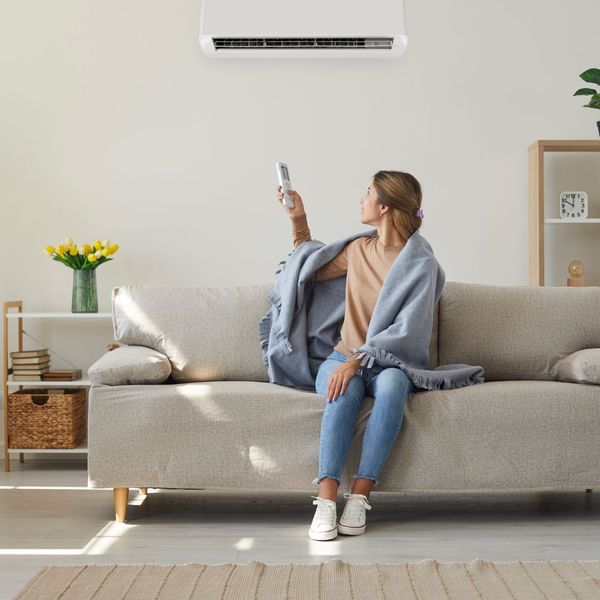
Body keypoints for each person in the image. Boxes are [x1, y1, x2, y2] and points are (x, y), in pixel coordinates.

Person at [276, 170, 427, 541]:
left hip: (391, 362)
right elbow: (306, 270)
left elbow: (409, 330)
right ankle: (326, 500)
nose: (361, 200)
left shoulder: (421, 264)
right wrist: (298, 219)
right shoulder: (359, 250)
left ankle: (360, 496)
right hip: (341, 357)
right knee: (343, 390)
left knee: (392, 387)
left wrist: (358, 361)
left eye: (367, 193)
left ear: (385, 207)